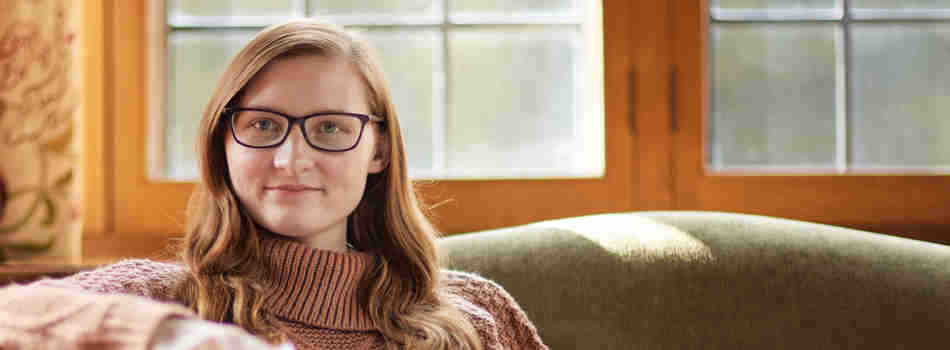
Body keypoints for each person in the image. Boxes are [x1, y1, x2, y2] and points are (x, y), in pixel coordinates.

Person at [0, 19, 548, 350]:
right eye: (263, 125)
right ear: (224, 145)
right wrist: (176, 338)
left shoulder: (478, 315)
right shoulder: (162, 296)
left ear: (378, 149)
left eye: (330, 127)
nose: (292, 158)